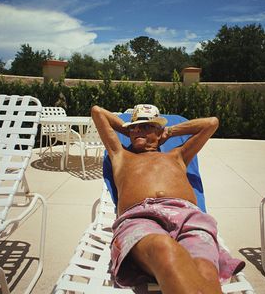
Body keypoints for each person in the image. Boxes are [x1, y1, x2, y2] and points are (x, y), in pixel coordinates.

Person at [91, 104, 245, 294]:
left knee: (205, 270)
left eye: (146, 126)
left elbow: (211, 123)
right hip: (140, 217)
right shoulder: (121, 155)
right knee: (164, 248)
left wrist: (170, 131)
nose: (138, 129)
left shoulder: (178, 155)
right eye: (135, 127)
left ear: (159, 131)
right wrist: (129, 129)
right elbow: (97, 111)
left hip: (188, 218)